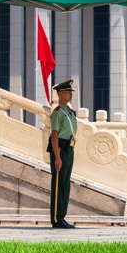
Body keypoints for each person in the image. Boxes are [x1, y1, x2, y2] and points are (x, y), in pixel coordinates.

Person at [47, 79, 78, 229]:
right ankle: (56, 218)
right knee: (58, 184)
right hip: (60, 149)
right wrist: (57, 157)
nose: (70, 95)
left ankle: (62, 216)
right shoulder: (58, 112)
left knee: (65, 184)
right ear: (60, 94)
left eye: (71, 92)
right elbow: (54, 135)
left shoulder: (69, 112)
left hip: (69, 149)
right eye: (67, 92)